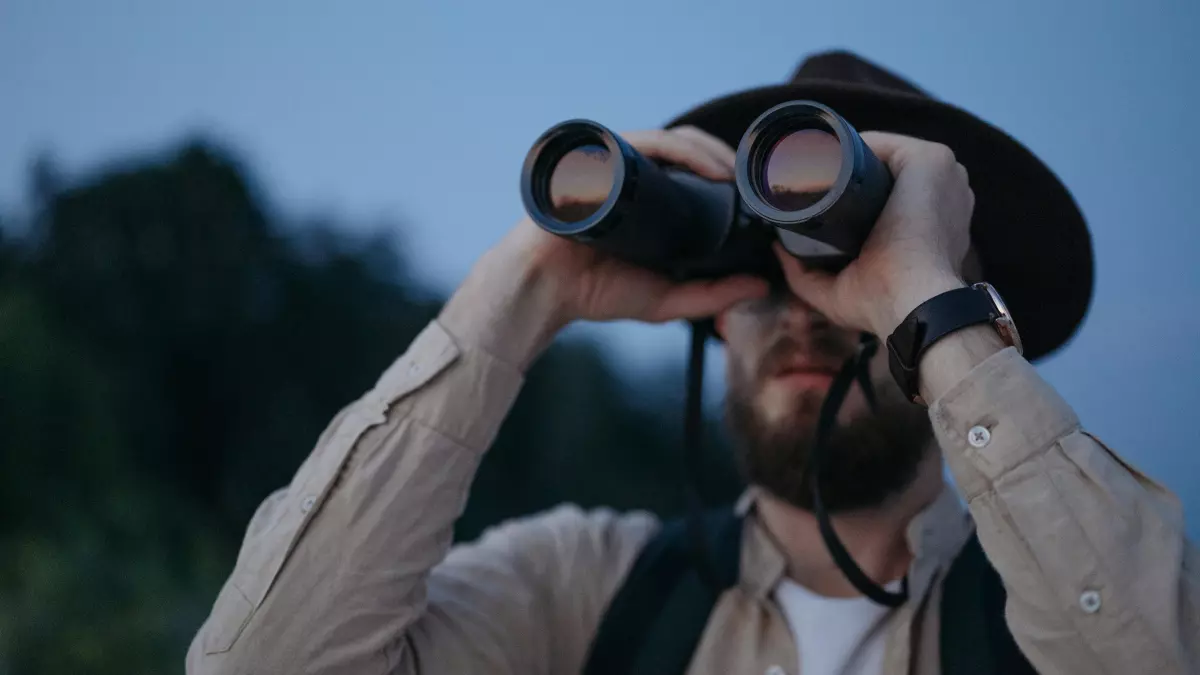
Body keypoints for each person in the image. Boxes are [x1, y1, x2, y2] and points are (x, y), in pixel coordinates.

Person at [186, 51, 1198, 675]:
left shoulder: (1051, 612)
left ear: (954, 304)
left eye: (853, 262)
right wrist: (523, 289)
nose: (801, 310)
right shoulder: (589, 591)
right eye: (762, 266)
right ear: (715, 318)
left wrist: (929, 309)